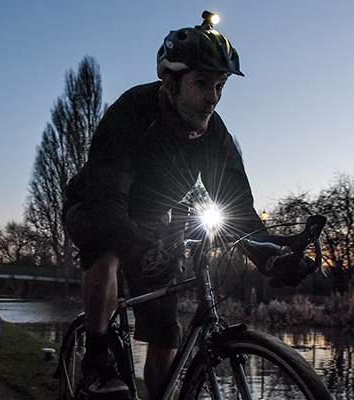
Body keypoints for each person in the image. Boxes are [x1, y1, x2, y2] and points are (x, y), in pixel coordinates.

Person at [63, 11, 313, 400]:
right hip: (97, 202)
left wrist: (268, 253)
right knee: (106, 247)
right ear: (169, 79)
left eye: (220, 85)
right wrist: (127, 238)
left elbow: (237, 206)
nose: (213, 97)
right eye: (202, 83)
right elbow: (108, 188)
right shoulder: (132, 111)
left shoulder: (215, 135)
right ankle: (96, 358)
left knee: (165, 331)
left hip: (154, 219)